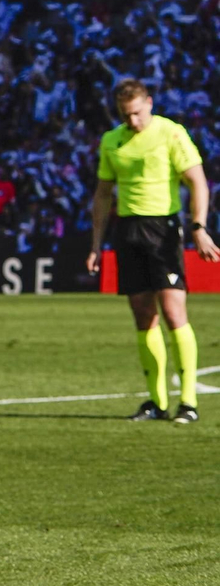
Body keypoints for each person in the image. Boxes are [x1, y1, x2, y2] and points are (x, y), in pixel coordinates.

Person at [89, 79, 219, 423]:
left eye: (137, 113)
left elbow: (197, 181)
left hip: (163, 229)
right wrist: (96, 244)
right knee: (143, 316)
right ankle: (158, 403)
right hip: (128, 230)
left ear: (149, 103)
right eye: (126, 115)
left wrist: (199, 227)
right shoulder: (112, 141)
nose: (133, 121)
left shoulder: (170, 133)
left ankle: (188, 402)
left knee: (175, 312)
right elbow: (103, 194)